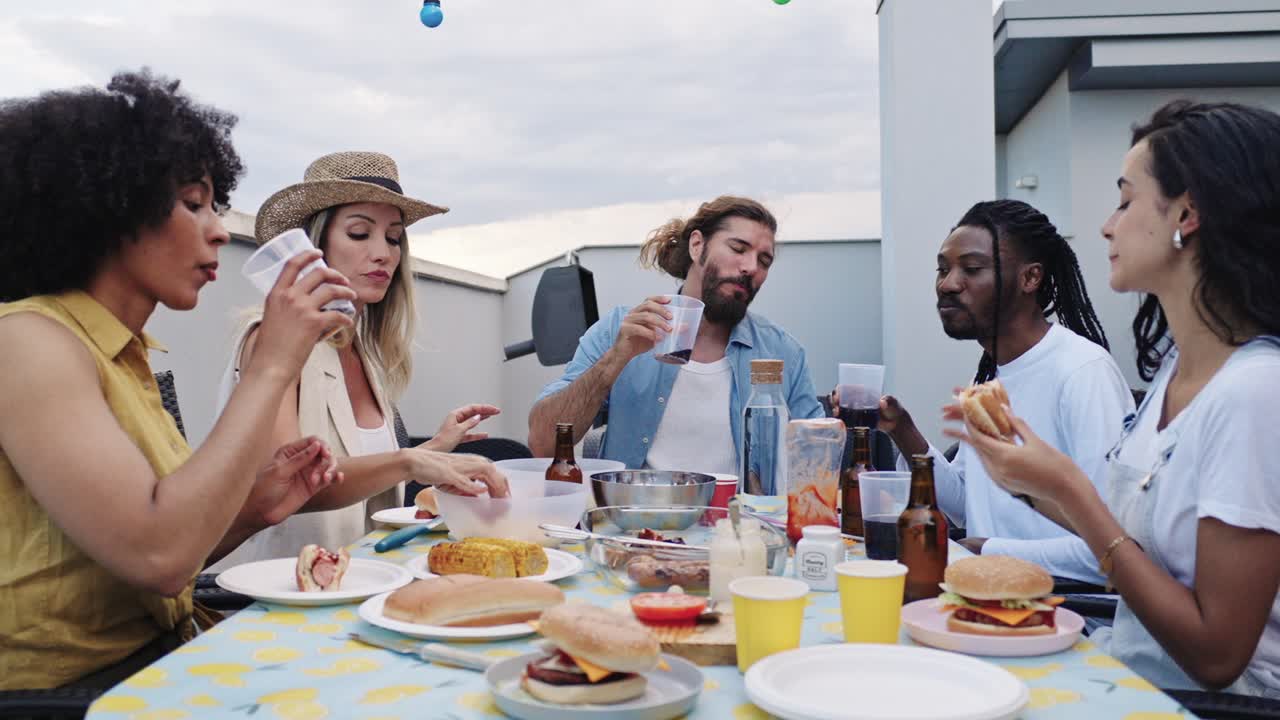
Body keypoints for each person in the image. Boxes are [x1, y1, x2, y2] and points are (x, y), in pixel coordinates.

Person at [0, 70, 350, 689]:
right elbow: (158, 558)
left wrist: (248, 512)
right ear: (107, 205)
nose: (219, 228)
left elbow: (153, 558)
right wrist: (272, 363)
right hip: (77, 694)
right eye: (193, 203)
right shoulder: (25, 340)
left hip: (162, 659)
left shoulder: (127, 356)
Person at [949, 100, 1280, 694]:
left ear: (1189, 212)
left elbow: (1215, 657)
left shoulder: (1255, 394)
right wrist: (1027, 477)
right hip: (1122, 672)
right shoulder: (1175, 376)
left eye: (1126, 201)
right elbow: (1132, 536)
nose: (1107, 225)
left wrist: (1066, 487)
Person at [211, 151, 508, 570]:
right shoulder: (273, 339)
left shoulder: (361, 349)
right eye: (358, 233)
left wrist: (434, 451)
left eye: (392, 237)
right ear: (315, 245)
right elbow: (286, 486)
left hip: (365, 580)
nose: (383, 253)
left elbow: (357, 474)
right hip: (285, 591)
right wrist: (409, 459)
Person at [878, 199, 1132, 583]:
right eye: (943, 270)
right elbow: (967, 503)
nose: (947, 284)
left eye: (972, 269)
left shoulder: (1082, 373)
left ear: (1030, 278)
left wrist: (989, 552)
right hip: (986, 601)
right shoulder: (992, 378)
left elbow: (1117, 547)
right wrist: (902, 430)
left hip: (1069, 616)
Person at [528, 196, 822, 473]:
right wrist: (614, 361)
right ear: (697, 245)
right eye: (738, 248)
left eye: (765, 261)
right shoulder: (621, 330)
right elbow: (543, 442)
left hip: (739, 525)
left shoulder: (782, 353)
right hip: (632, 521)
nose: (750, 267)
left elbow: (817, 460)